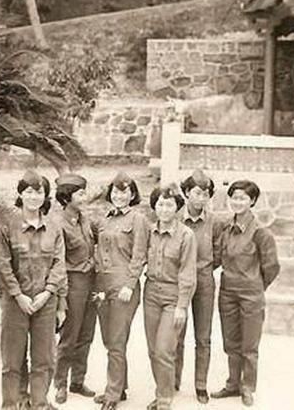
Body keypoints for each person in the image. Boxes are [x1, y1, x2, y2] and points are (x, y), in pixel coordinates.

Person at [0, 170, 67, 410]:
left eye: (39, 192)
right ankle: (11, 404)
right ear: (20, 194)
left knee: (43, 360)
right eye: (28, 192)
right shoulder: (8, 227)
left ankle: (39, 404)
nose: (34, 197)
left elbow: (59, 264)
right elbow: (3, 266)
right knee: (12, 360)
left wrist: (47, 293)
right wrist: (18, 296)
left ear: (45, 196)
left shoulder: (54, 228)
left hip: (45, 303)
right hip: (16, 303)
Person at [211, 180, 280, 407]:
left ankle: (247, 387)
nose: (237, 202)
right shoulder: (225, 228)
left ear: (252, 201)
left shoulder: (261, 233)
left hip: (251, 294)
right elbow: (216, 258)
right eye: (234, 197)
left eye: (242, 198)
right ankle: (233, 384)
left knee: (249, 346)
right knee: (230, 342)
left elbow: (271, 267)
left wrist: (257, 286)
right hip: (227, 293)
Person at [93, 171, 149, 410]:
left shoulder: (138, 219)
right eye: (116, 192)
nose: (119, 196)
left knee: (116, 340)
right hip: (102, 286)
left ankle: (112, 394)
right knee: (108, 339)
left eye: (125, 192)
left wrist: (130, 283)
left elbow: (140, 254)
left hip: (124, 286)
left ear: (132, 194)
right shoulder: (104, 219)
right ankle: (121, 386)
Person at [144, 184, 197, 410]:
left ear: (177, 207)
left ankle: (164, 399)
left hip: (173, 296)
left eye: (169, 205)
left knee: (164, 349)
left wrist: (182, 306)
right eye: (160, 204)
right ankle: (164, 388)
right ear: (154, 206)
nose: (164, 209)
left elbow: (188, 272)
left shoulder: (186, 235)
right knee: (152, 349)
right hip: (151, 294)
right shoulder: (149, 232)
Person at [174, 170, 225, 404]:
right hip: (178, 282)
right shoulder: (175, 218)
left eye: (205, 194)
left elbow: (218, 253)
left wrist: (203, 269)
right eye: (196, 193)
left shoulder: (214, 222)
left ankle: (201, 385)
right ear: (186, 193)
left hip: (204, 281)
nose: (201, 198)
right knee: (177, 335)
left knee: (203, 337)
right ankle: (173, 380)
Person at [52, 173, 98, 404]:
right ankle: (60, 383)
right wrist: (61, 297)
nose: (84, 197)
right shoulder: (58, 224)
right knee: (69, 336)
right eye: (80, 194)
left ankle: (78, 381)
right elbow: (57, 262)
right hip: (72, 284)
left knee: (86, 335)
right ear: (66, 197)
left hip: (91, 281)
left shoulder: (85, 219)